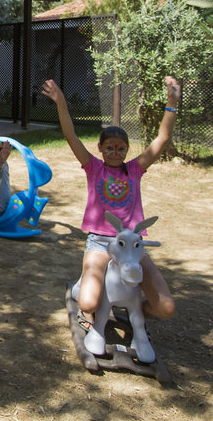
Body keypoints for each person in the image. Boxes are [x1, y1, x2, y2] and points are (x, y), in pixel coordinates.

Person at [41, 76, 181, 329]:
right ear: (100, 148)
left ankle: (137, 311)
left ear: (127, 150)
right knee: (88, 303)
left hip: (133, 245)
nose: (115, 154)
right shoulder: (93, 167)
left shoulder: (135, 169)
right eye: (109, 148)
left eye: (121, 149)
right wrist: (61, 101)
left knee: (166, 308)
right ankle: (83, 287)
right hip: (100, 242)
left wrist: (171, 103)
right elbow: (70, 135)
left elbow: (162, 139)